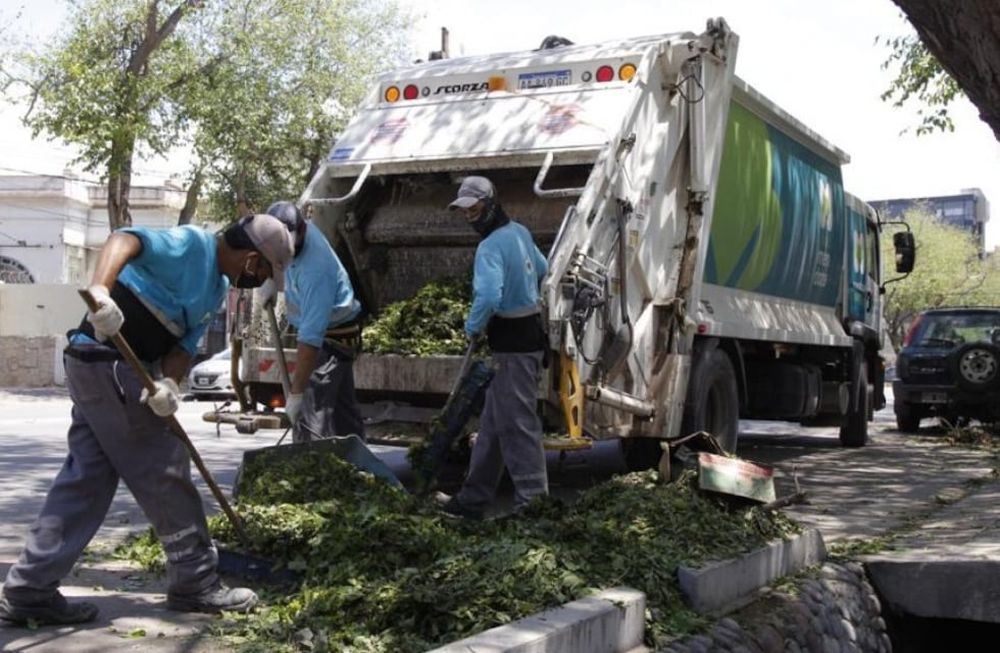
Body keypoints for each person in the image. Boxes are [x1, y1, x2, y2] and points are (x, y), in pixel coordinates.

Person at [0, 215, 294, 626]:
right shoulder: (193, 245)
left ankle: (29, 589)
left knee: (85, 481)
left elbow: (182, 346)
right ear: (251, 258)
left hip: (107, 371)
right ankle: (195, 580)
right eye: (264, 269)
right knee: (166, 469)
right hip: (108, 362)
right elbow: (124, 240)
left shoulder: (215, 288)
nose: (260, 278)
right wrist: (102, 291)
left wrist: (170, 384)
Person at [437, 176, 549, 520]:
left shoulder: (489, 247)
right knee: (493, 426)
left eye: (474, 208)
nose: (470, 215)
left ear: (490, 204)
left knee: (517, 425)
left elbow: (488, 296)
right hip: (528, 337)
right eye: (464, 210)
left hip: (512, 344)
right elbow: (543, 269)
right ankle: (473, 499)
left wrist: (473, 326)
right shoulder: (519, 232)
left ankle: (534, 504)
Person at [260, 201, 365, 442]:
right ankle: (359, 465)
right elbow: (274, 255)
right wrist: (273, 281)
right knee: (342, 410)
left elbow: (309, 341)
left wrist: (296, 395)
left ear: (302, 231)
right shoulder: (286, 235)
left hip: (334, 335)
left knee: (310, 404)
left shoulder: (316, 271)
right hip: (328, 328)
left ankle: (309, 468)